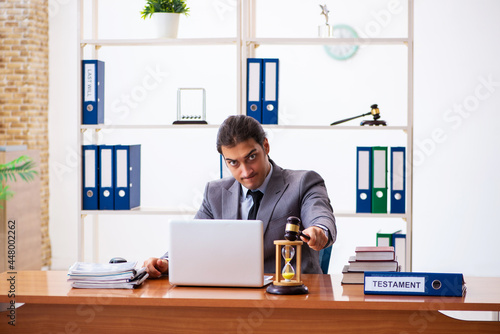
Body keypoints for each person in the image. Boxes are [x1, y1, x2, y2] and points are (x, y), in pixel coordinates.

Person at [144, 115, 337, 277]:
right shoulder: (214, 193)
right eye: (233, 163)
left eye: (251, 157)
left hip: (291, 298)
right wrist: (166, 262)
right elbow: (193, 241)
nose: (245, 172)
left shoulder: (303, 183)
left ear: (266, 146)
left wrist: (319, 231)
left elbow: (321, 217)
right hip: (233, 296)